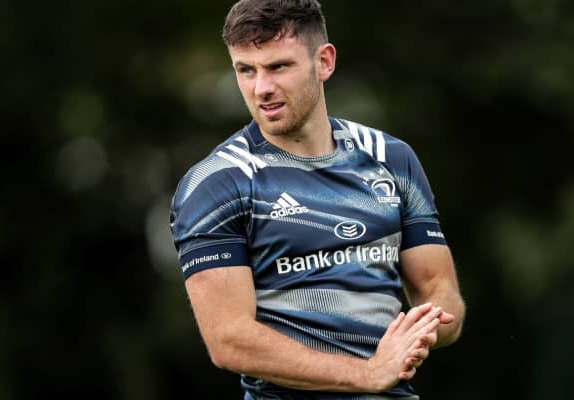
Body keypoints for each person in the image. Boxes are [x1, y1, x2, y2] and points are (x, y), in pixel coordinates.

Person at [169, 0, 465, 398]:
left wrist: (421, 331)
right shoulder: (218, 183)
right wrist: (366, 373)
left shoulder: (391, 159)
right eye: (246, 70)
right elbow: (229, 340)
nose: (261, 88)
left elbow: (439, 288)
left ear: (324, 62)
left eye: (278, 66)